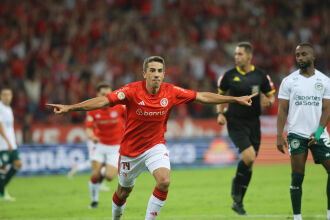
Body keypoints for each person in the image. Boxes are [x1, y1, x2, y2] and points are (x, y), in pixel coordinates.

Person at [47, 56, 257, 220]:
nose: (157, 75)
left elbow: (201, 96)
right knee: (123, 191)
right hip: (130, 151)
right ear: (145, 73)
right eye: (152, 71)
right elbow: (103, 101)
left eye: (160, 71)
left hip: (155, 146)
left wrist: (234, 98)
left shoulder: (171, 91)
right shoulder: (130, 91)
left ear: (164, 74)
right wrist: (71, 108)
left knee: (164, 181)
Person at [216, 42, 275, 215]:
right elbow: (220, 95)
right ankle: (236, 185)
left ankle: (238, 202)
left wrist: (269, 101)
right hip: (235, 121)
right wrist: (220, 113)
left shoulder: (261, 76)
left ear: (249, 56)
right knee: (249, 157)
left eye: (240, 54)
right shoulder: (228, 76)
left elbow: (270, 95)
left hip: (254, 123)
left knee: (250, 164)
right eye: (236, 54)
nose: (236, 57)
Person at [277, 43, 330, 220]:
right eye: (297, 55)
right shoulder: (288, 81)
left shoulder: (324, 81)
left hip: (319, 134)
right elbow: (282, 109)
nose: (300, 58)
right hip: (296, 134)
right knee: (298, 176)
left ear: (313, 57)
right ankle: (298, 217)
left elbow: (327, 110)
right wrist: (279, 135)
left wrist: (318, 132)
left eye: (304, 54)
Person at [87, 82, 126, 209]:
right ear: (98, 95)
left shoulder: (120, 107)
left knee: (109, 177)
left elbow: (130, 120)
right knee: (95, 174)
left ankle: (103, 168)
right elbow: (88, 128)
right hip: (99, 146)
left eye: (108, 94)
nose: (106, 97)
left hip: (115, 147)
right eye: (103, 94)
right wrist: (93, 137)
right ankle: (94, 201)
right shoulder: (92, 109)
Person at [0, 87, 23, 201]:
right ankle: (2, 192)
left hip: (11, 144)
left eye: (8, 94)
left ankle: (2, 189)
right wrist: (8, 141)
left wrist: (12, 141)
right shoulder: (0, 108)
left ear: (12, 96)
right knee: (2, 167)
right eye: (4, 94)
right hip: (2, 144)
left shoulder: (8, 108)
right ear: (1, 96)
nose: (6, 97)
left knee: (18, 164)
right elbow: (0, 126)